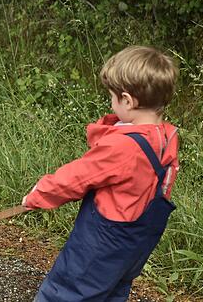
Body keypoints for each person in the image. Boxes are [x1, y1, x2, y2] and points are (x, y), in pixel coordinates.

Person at [23, 45, 180, 301]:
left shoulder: (123, 146)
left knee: (65, 294)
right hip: (135, 245)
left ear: (128, 101)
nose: (111, 102)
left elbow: (79, 177)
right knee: (110, 293)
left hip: (102, 244)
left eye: (112, 97)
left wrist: (39, 194)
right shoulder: (166, 137)